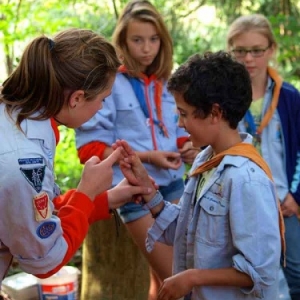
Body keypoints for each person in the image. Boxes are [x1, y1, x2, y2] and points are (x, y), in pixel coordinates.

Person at [115, 51, 284, 299]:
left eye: (184, 114)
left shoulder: (246, 180)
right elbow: (184, 230)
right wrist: (148, 190)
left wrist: (193, 277)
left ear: (215, 113)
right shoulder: (206, 160)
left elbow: (260, 273)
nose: (180, 124)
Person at [0, 28, 153, 291]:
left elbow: (31, 211)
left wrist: (105, 198)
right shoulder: (23, 159)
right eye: (103, 100)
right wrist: (86, 191)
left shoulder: (17, 116)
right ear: (77, 98)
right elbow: (45, 260)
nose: (102, 108)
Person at [75, 0, 198, 298]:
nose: (147, 48)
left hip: (173, 183)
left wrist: (188, 147)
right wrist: (146, 158)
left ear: (163, 40)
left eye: (154, 39)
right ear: (123, 42)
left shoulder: (169, 80)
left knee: (163, 281)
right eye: (137, 40)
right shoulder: (110, 82)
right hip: (132, 190)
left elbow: (176, 128)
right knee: (177, 276)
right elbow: (91, 148)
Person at [227, 14, 300, 300]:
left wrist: (296, 196)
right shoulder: (225, 97)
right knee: (246, 274)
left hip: (284, 202)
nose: (249, 59)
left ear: (271, 49)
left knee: (295, 271)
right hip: (241, 203)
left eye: (257, 50)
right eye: (241, 51)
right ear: (231, 50)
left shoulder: (290, 98)